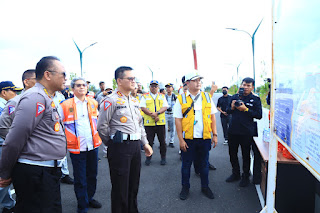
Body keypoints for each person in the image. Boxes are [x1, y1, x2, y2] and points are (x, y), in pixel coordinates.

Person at [0, 56, 67, 213]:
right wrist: (5, 172)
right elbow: (14, 140)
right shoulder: (34, 98)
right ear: (48, 75)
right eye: (63, 74)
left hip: (47, 173)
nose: (65, 78)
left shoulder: (46, 97)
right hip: (36, 174)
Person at [97, 66, 153, 213]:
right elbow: (102, 126)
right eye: (130, 78)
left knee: (133, 184)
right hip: (120, 147)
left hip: (135, 146)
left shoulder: (134, 100)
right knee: (120, 187)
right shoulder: (110, 100)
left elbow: (139, 125)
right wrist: (112, 144)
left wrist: (145, 143)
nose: (134, 81)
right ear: (119, 81)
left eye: (134, 78)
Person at [59, 77, 102, 212]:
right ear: (72, 89)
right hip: (76, 148)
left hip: (93, 145)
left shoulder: (93, 103)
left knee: (92, 175)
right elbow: (58, 125)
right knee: (80, 178)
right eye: (78, 85)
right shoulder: (64, 105)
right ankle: (82, 205)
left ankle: (89, 198)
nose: (82, 87)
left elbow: (97, 122)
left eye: (84, 85)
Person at [174, 71, 218, 200]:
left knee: (204, 165)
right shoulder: (181, 98)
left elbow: (213, 117)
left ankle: (205, 187)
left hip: (205, 138)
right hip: (188, 139)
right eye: (195, 80)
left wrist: (214, 134)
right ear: (187, 83)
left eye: (200, 80)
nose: (198, 82)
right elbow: (178, 120)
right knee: (186, 165)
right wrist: (181, 140)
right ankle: (185, 188)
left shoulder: (207, 97)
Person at [225, 77, 262, 187]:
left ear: (252, 87)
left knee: (246, 155)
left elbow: (259, 115)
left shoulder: (255, 99)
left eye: (248, 85)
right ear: (241, 85)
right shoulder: (234, 97)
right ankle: (235, 173)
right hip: (233, 130)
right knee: (232, 154)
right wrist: (231, 107)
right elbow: (227, 111)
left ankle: (245, 176)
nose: (245, 87)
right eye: (244, 85)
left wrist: (246, 109)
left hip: (246, 132)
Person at [0, 81, 23, 213]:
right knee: (3, 179)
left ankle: (8, 205)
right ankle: (8, 206)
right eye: (13, 91)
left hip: (5, 144)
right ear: (4, 92)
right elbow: (3, 128)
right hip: (3, 145)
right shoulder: (5, 106)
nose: (16, 94)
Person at [140, 80, 168, 166]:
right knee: (149, 142)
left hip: (160, 122)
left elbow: (165, 106)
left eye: (155, 86)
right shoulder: (145, 96)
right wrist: (153, 115)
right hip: (149, 123)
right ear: (149, 87)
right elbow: (143, 107)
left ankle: (163, 158)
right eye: (152, 86)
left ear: (158, 87)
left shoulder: (162, 96)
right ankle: (148, 157)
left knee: (162, 142)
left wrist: (157, 113)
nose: (154, 88)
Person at [52, 90, 74, 185]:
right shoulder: (40, 94)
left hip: (60, 127)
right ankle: (54, 173)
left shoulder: (60, 96)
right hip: (47, 129)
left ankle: (64, 174)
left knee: (62, 151)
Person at [165, 83, 177, 148]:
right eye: (167, 87)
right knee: (165, 129)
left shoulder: (175, 96)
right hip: (165, 114)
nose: (168, 89)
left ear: (172, 88)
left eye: (169, 87)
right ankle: (164, 142)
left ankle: (171, 141)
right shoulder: (164, 97)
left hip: (172, 114)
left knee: (173, 128)